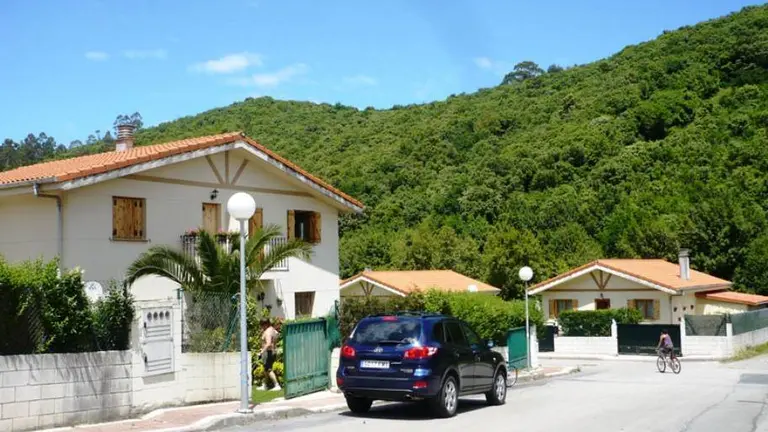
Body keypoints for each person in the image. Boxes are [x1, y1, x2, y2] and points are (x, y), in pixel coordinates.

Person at [258, 318, 281, 391]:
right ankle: (265, 385)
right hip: (272, 351)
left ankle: (277, 385)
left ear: (265, 324)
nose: (261, 327)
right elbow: (277, 335)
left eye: (262, 326)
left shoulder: (267, 332)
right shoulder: (272, 329)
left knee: (268, 369)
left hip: (268, 352)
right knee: (266, 369)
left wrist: (261, 352)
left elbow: (268, 343)